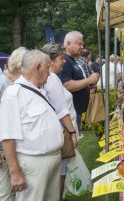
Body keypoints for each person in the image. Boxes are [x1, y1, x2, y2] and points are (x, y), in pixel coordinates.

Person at [0, 50, 64, 201]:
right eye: (48, 68)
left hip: (51, 161)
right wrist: (15, 172)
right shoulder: (14, 94)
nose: (49, 73)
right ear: (38, 67)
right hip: (34, 166)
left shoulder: (37, 91)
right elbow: (7, 138)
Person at [42, 44, 78, 200]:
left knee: (59, 172)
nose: (63, 62)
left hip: (58, 132)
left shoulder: (48, 78)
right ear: (50, 61)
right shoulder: (53, 79)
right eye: (61, 59)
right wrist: (72, 132)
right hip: (62, 132)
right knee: (60, 173)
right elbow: (62, 110)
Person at [0, 47, 27, 201]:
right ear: (21, 66)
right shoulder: (2, 83)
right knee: (3, 195)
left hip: (13, 149)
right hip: (0, 150)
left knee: (14, 193)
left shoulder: (17, 83)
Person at [60, 31, 100, 134]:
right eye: (79, 43)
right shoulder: (65, 61)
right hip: (71, 111)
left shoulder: (72, 60)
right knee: (72, 141)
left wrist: (89, 82)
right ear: (68, 44)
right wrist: (89, 80)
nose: (82, 46)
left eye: (82, 44)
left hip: (76, 111)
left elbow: (77, 81)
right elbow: (67, 85)